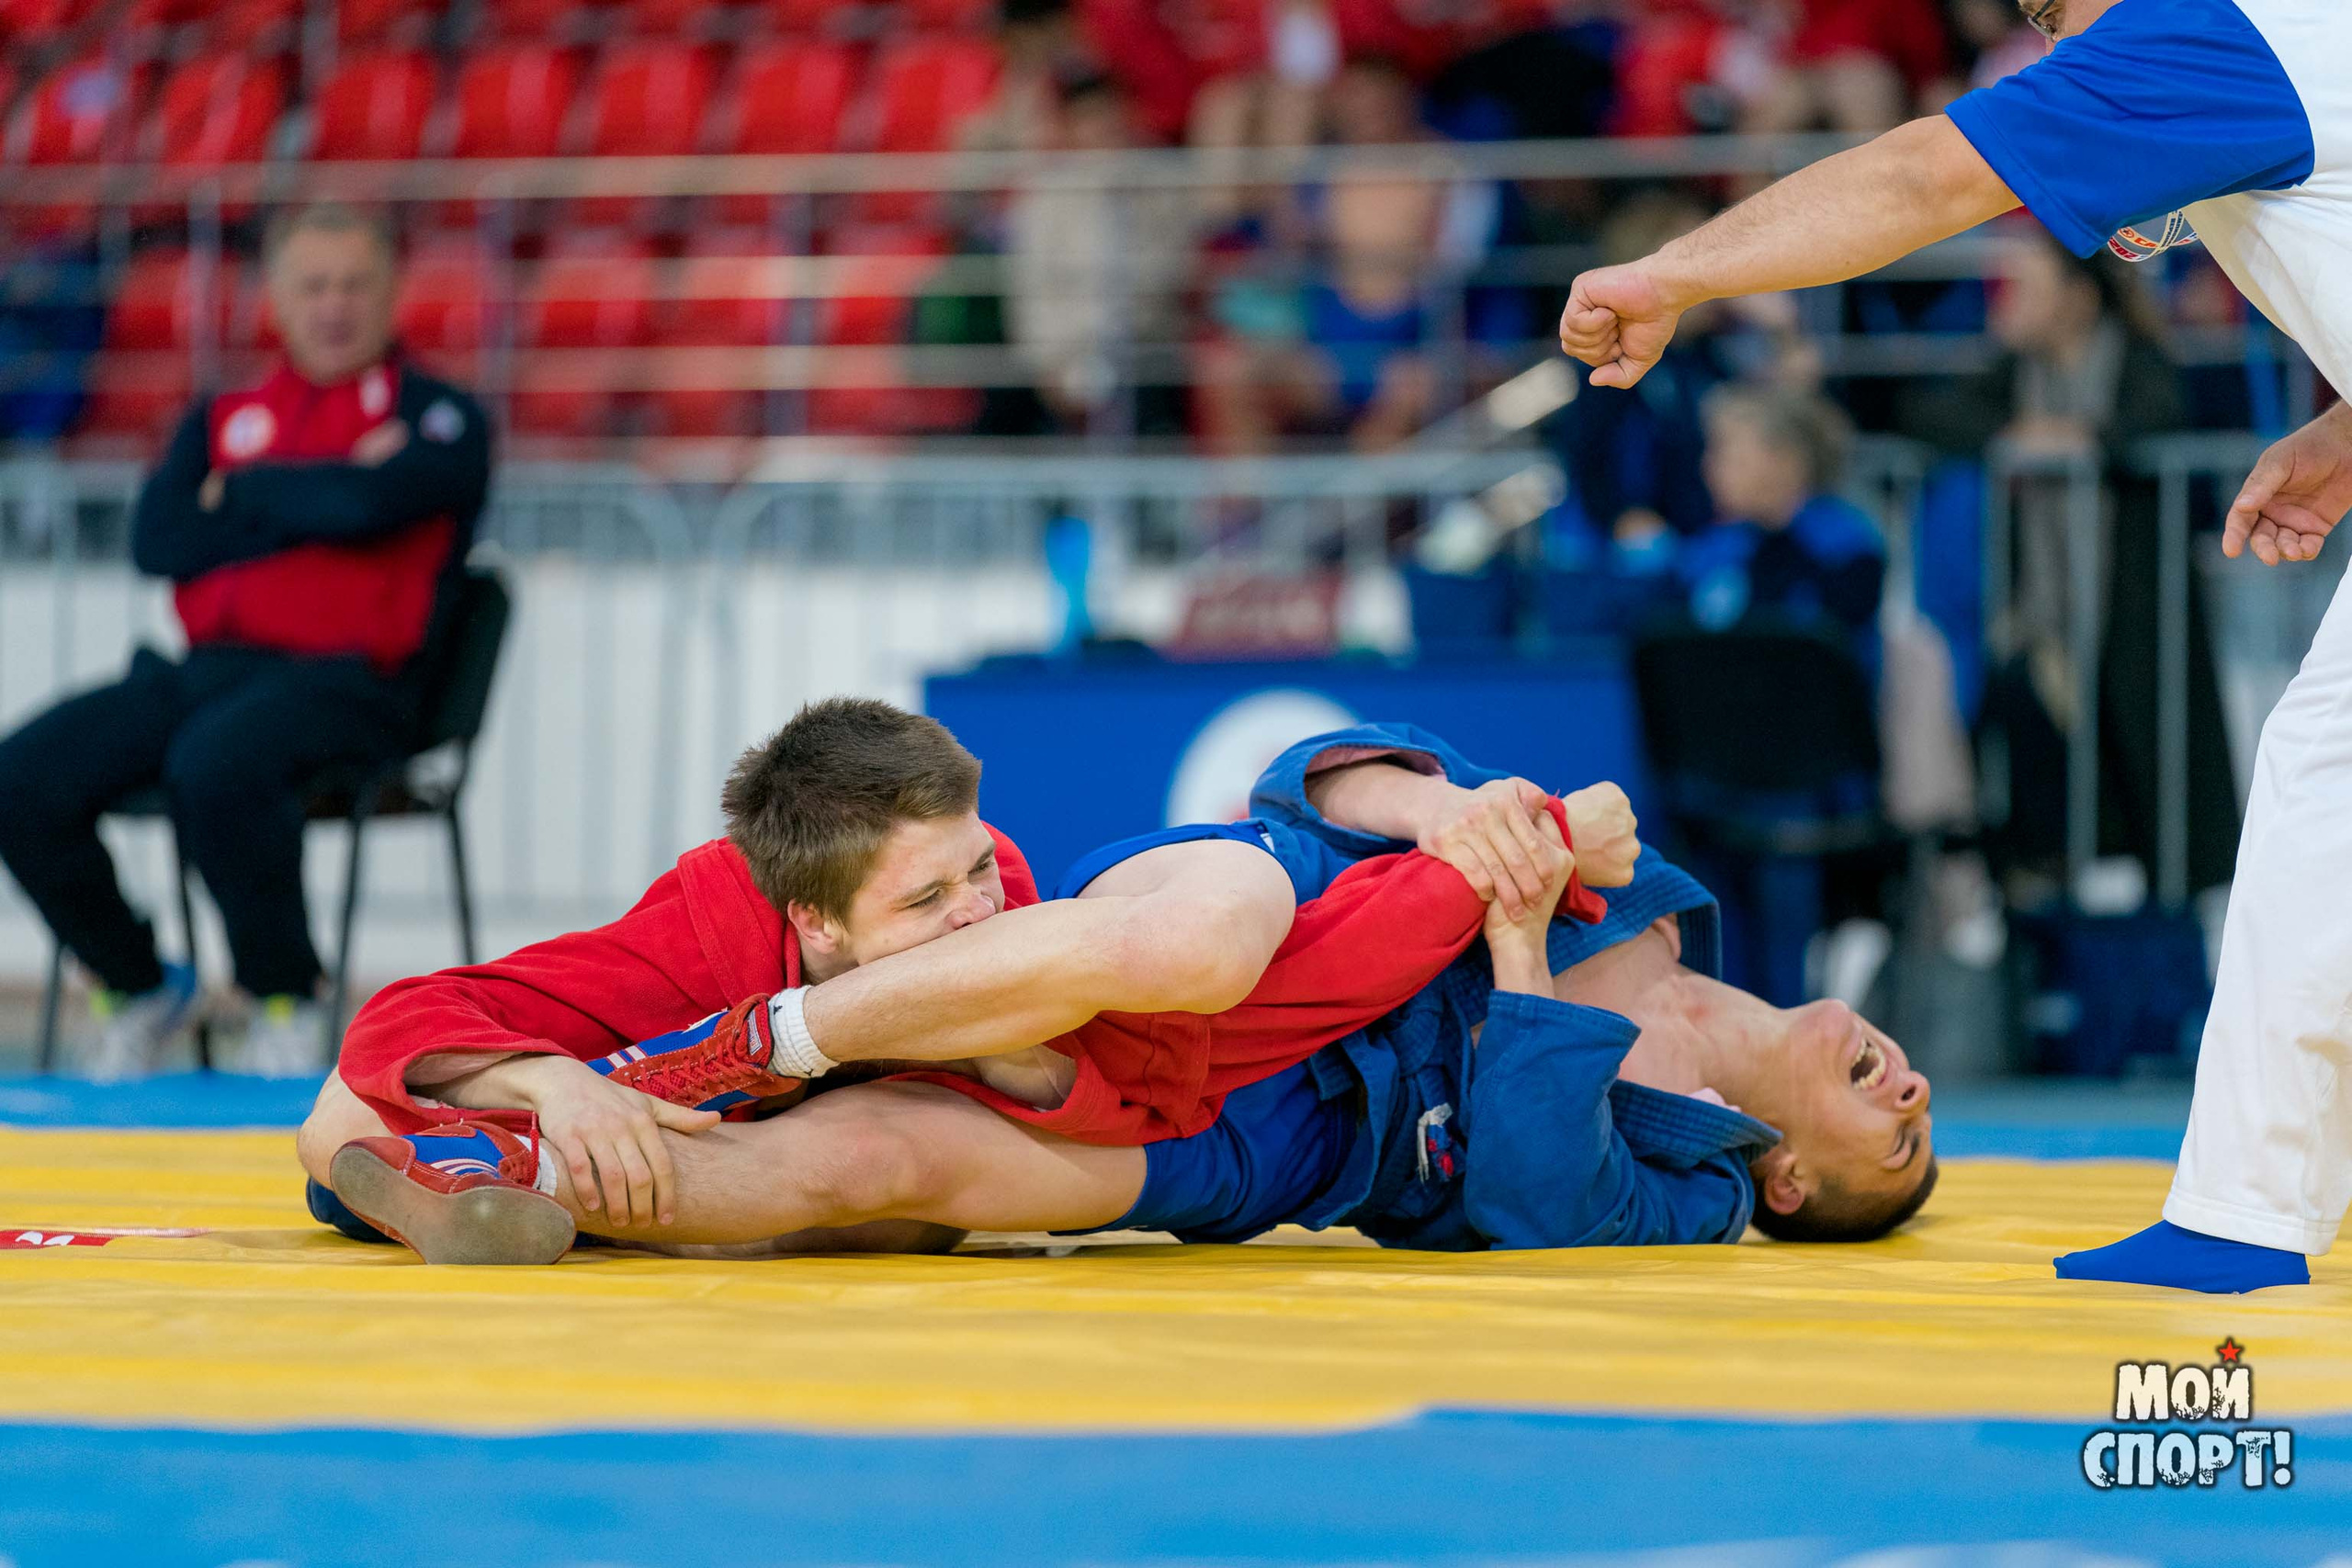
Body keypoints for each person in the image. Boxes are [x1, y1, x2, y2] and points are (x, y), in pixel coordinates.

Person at [1557, 0, 2351, 1293]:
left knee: (2324, 788)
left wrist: (1673, 273)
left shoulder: (2211, 29)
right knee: (2327, 793)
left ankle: (2245, 1213)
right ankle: (2248, 1207)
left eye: (2052, 7)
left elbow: (1925, 174)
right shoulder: (2283, 38)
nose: (2049, 36)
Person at [309, 724, 1932, 1264]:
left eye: (1897, 1149)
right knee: (1202, 935)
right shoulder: (1648, 886)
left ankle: (502, 1182)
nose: (1916, 1094)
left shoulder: (1697, 1189)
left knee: (893, 1166)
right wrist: (1454, 814)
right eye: (932, 894)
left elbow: (1521, 1184)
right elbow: (1315, 779)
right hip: (1229, 946)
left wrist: (1512, 936)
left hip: (1284, 1132)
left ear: (1793, 1181)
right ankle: (709, 1067)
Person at [0, 204, 491, 1080]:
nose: (332, 304)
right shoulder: (225, 410)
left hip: (356, 687)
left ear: (390, 294)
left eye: (353, 284)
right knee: (23, 773)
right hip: (209, 671)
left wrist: (242, 498)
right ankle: (138, 983)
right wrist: (331, 492)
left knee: (216, 761)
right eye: (313, 285)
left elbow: (369, 507)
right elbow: (160, 539)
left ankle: (282, 999)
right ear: (277, 296)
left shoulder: (443, 415)